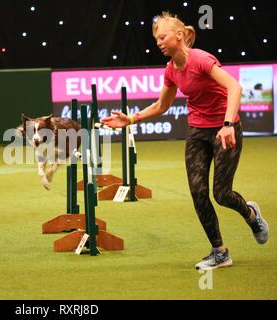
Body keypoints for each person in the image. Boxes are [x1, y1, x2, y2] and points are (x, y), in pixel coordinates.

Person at [101, 12, 269, 270]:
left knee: (222, 194)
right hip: (197, 132)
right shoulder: (171, 70)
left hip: (225, 128)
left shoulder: (201, 60)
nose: (158, 41)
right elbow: (161, 105)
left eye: (162, 36)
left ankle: (251, 214)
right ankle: (220, 251)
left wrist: (227, 125)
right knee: (198, 192)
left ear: (179, 36)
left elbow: (234, 87)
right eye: (156, 38)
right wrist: (131, 119)